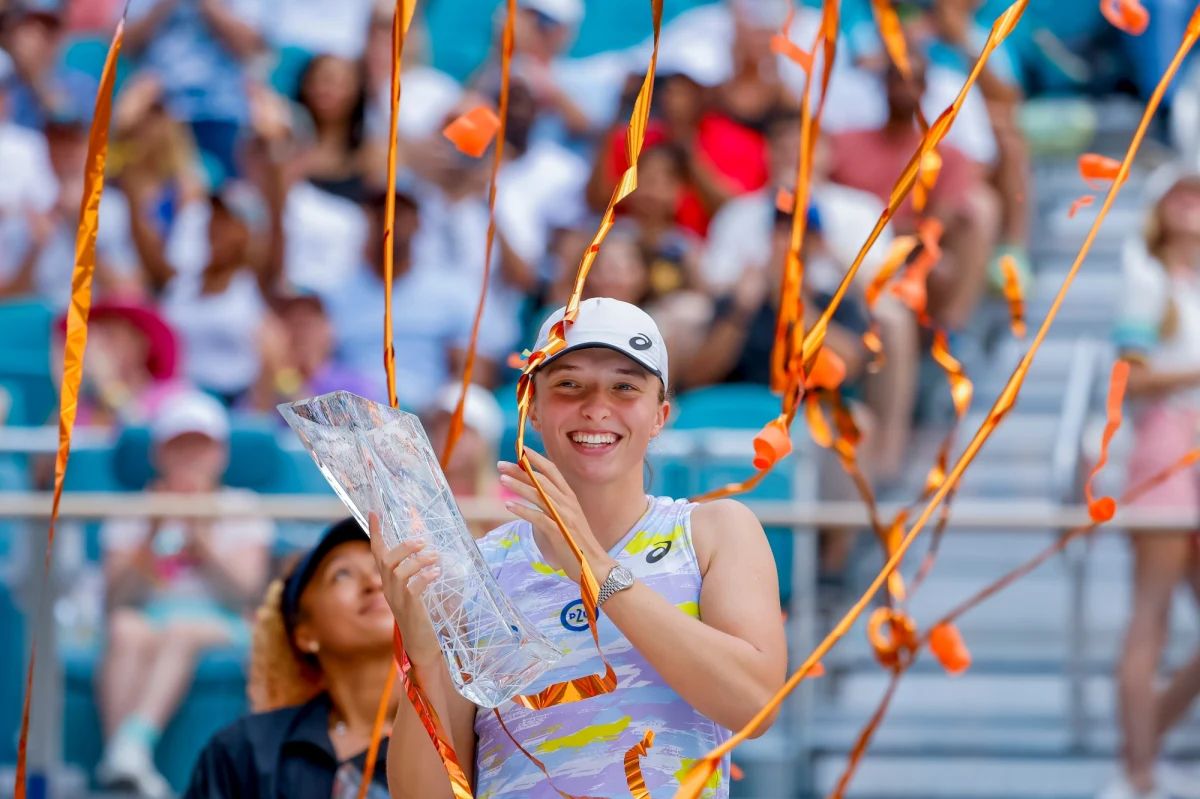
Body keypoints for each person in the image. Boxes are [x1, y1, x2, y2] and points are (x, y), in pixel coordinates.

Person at [374, 297, 787, 798]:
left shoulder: (713, 531)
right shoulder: (477, 568)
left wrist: (594, 567)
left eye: (624, 387)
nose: (596, 407)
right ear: (535, 408)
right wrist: (422, 658)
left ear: (659, 416)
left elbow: (757, 705)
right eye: (569, 384)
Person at [97, 390, 275, 798]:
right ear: (160, 453)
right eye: (180, 447)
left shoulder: (243, 507)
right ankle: (123, 762)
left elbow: (245, 594)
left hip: (222, 622)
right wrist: (153, 534)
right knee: (125, 628)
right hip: (150, 617)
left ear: (221, 454)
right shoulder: (132, 510)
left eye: (201, 447)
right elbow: (116, 600)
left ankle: (129, 747)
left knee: (181, 628)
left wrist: (200, 535)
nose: (191, 459)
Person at [1101, 167, 1200, 799]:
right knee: (1151, 618)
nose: (1192, 204)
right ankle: (1138, 771)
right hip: (1166, 449)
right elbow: (1127, 380)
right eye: (1182, 194)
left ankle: (1144, 748)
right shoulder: (1146, 280)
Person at [183, 518, 398, 799]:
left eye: (381, 568)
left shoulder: (463, 741)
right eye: (342, 574)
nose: (373, 582)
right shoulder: (243, 751)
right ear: (305, 633)